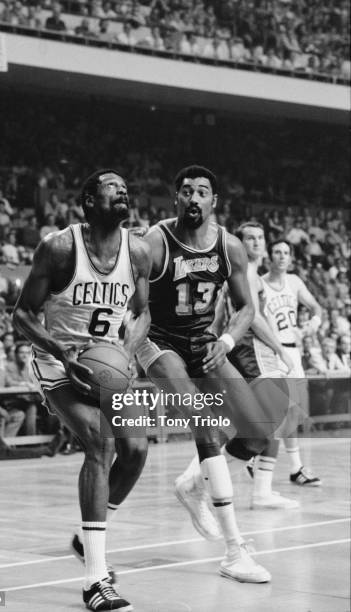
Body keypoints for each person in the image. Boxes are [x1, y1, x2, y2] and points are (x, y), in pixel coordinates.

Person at [13, 169, 151, 611]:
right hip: (60, 362)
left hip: (108, 362)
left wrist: (127, 349)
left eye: (125, 187)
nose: (123, 190)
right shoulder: (58, 248)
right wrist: (60, 351)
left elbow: (144, 313)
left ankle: (85, 538)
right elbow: (22, 316)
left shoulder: (140, 251)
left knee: (136, 452)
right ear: (89, 201)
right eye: (112, 186)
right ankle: (95, 580)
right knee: (99, 441)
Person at [136, 165, 272, 583]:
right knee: (205, 420)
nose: (194, 198)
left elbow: (246, 307)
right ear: (175, 198)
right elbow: (135, 309)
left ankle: (194, 482)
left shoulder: (230, 246)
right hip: (158, 340)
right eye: (187, 191)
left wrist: (227, 342)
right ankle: (234, 550)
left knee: (257, 434)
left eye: (202, 192)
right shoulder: (155, 242)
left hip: (204, 341)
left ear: (214, 201)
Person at [220, 222, 300, 508]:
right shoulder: (246, 273)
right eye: (249, 238)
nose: (256, 242)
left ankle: (260, 490)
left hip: (249, 349)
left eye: (260, 237)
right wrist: (280, 348)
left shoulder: (248, 273)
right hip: (250, 347)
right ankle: (207, 482)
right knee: (270, 417)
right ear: (239, 244)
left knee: (271, 419)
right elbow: (251, 316)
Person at [261, 239, 322, 486]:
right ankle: (256, 459)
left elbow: (316, 307)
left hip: (292, 352)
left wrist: (312, 325)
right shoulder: (260, 283)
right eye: (277, 252)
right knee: (275, 411)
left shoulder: (295, 282)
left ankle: (294, 468)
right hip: (270, 352)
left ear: (291, 257)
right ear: (270, 256)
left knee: (293, 412)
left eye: (286, 252)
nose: (282, 256)